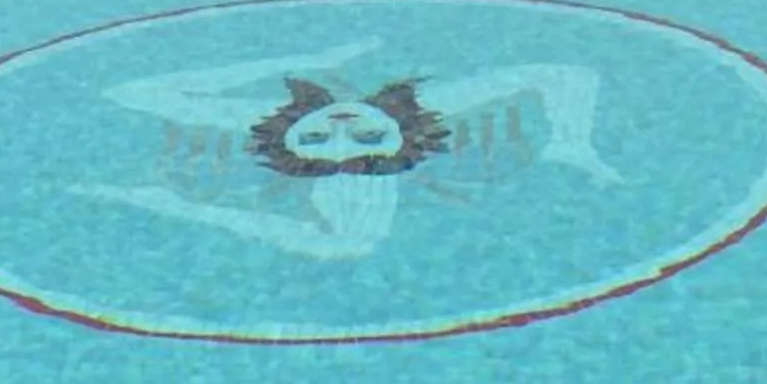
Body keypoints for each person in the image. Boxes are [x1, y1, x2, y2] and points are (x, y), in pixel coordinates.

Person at [74, 39, 619, 261]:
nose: (339, 123)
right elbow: (565, 72)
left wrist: (175, 205)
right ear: (402, 136)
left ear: (286, 137)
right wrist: (575, 143)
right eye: (365, 137)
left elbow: (129, 92)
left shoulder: (259, 118)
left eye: (314, 139)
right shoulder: (428, 108)